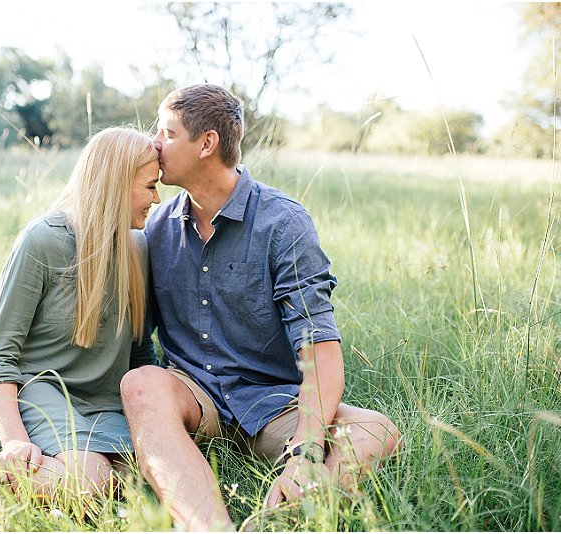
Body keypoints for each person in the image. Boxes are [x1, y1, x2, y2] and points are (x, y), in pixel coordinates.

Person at [120, 84, 402, 530]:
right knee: (141, 384)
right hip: (193, 398)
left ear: (207, 143)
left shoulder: (283, 223)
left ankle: (281, 519)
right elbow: (133, 338)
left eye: (168, 133)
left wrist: (305, 454)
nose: (155, 144)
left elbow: (319, 349)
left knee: (376, 431)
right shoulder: (155, 227)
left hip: (271, 403)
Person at [0, 127, 161, 501]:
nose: (156, 199)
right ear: (117, 184)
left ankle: (58, 471)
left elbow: (139, 357)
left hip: (104, 404)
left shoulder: (138, 247)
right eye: (150, 186)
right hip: (37, 391)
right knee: (90, 480)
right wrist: (14, 442)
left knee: (145, 481)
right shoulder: (42, 241)